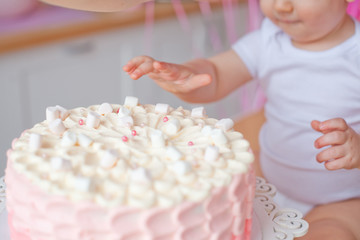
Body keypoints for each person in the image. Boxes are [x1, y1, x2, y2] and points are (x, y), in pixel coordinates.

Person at [123, 0, 360, 239]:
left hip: (340, 201)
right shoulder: (268, 40)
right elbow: (215, 75)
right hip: (270, 181)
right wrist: (186, 76)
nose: (282, 6)